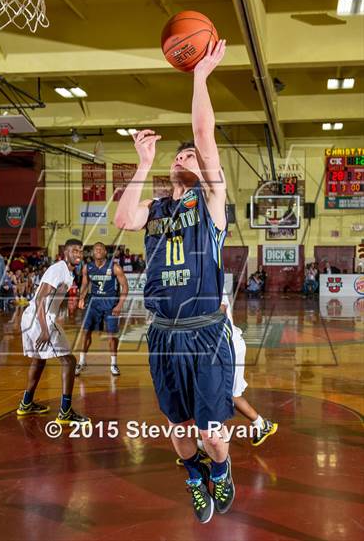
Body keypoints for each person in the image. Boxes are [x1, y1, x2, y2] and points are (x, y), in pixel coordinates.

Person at [114, 40, 235, 524]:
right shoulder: (157, 209)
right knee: (179, 426)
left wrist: (200, 77)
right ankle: (193, 479)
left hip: (205, 331)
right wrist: (143, 163)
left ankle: (221, 471)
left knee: (211, 434)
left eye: (191, 155)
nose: (186, 156)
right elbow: (124, 218)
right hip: (164, 333)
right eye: (178, 154)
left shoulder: (210, 206)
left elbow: (204, 134)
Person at [176, 293, 278, 466]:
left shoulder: (210, 280)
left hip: (227, 347)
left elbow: (220, 310)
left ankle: (210, 448)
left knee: (217, 396)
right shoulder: (196, 281)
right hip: (218, 347)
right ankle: (261, 425)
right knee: (223, 394)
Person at [17, 239, 90, 425]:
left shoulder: (67, 271)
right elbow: (41, 298)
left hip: (33, 317)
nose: (78, 254)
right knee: (69, 360)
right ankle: (65, 411)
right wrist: (44, 329)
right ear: (65, 252)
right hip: (40, 319)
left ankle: (26, 403)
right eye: (74, 250)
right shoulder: (58, 269)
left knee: (39, 360)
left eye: (80, 251)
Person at [76, 242, 129, 376]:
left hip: (110, 303)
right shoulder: (87, 267)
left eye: (101, 249)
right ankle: (82, 361)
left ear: (105, 252)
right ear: (93, 253)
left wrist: (119, 305)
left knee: (112, 335)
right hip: (93, 303)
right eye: (96, 249)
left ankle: (113, 364)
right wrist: (81, 298)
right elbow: (84, 284)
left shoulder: (115, 267)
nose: (98, 251)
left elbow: (125, 287)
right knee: (86, 332)